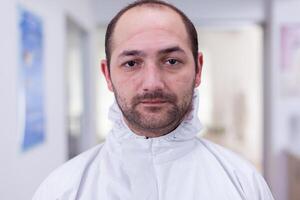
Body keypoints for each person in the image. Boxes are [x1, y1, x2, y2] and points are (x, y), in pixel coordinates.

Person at [33, 0, 274, 199]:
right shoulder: (63, 189)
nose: (152, 83)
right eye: (131, 63)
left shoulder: (244, 184)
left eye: (171, 61)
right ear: (107, 75)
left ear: (198, 69)